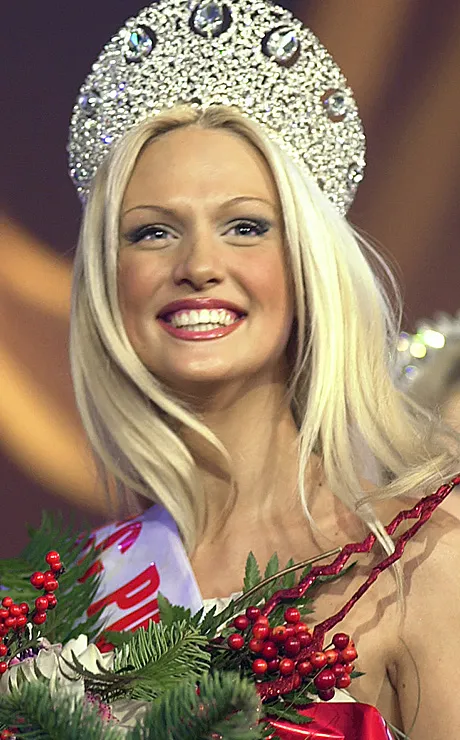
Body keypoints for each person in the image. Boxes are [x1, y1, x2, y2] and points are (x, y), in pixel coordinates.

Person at [67, 1, 460, 737]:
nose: (198, 265)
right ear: (109, 280)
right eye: (152, 232)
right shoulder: (70, 603)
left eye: (245, 226)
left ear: (309, 264)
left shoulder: (424, 558)